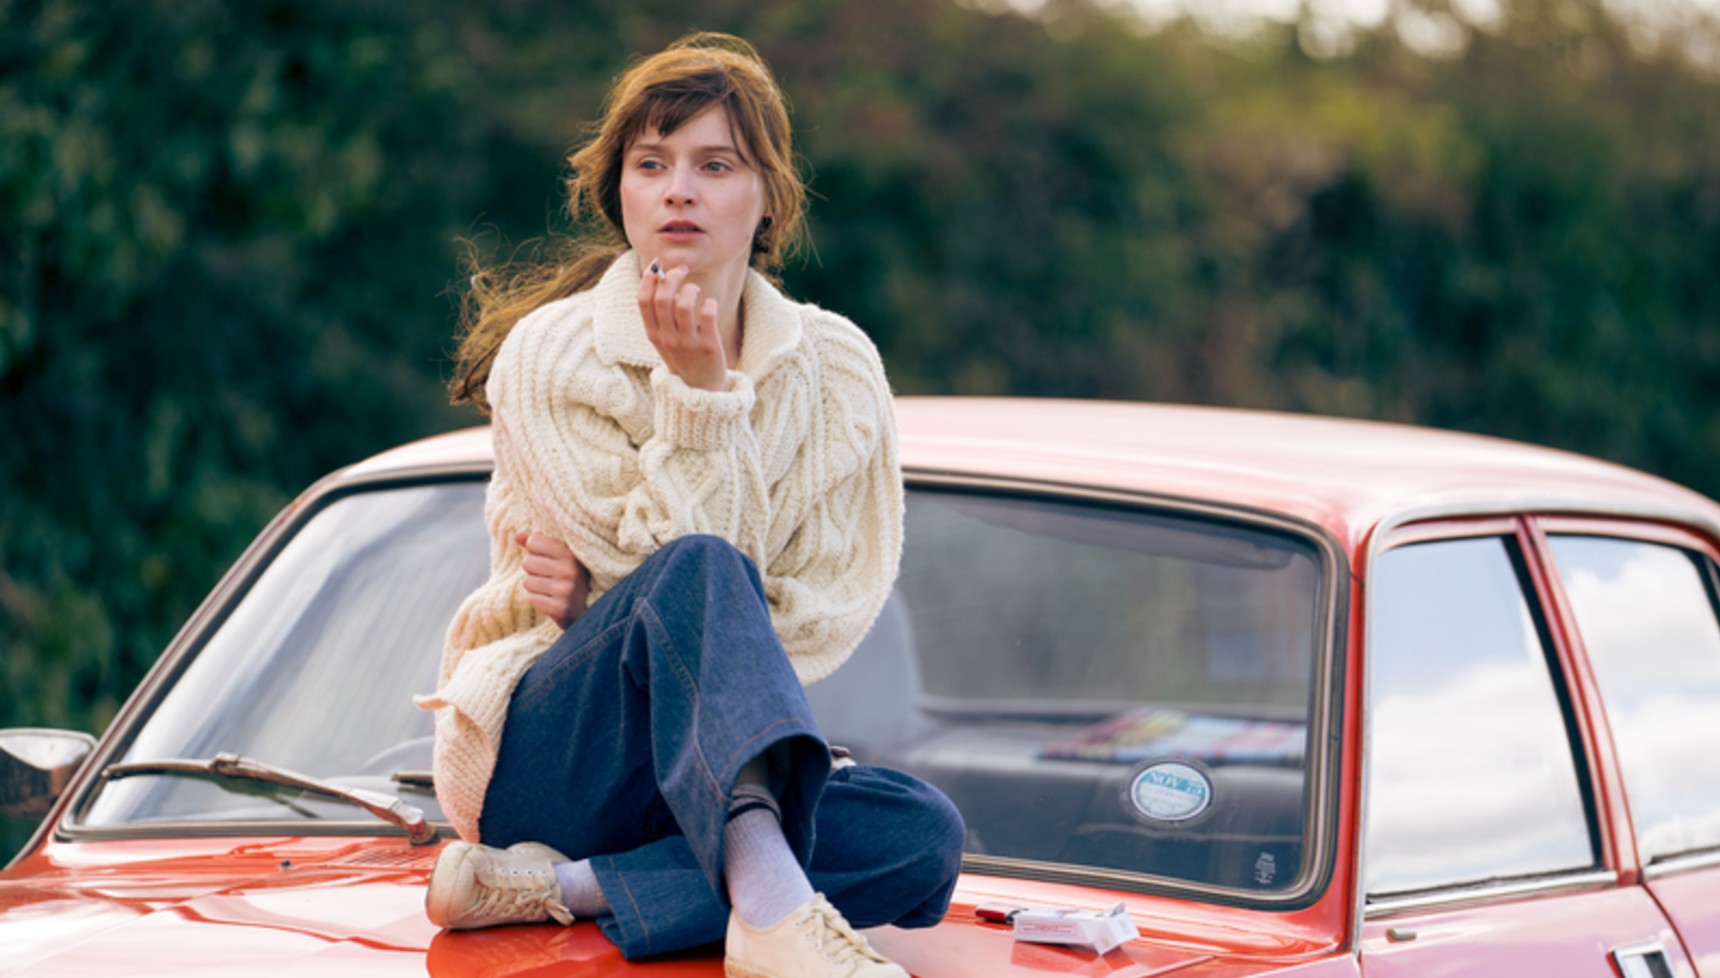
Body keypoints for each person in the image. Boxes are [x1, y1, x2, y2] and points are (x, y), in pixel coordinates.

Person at [414, 32, 964, 978]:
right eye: (651, 164)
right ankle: (774, 913)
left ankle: (564, 888)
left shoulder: (839, 372)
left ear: (767, 200)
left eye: (715, 165)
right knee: (702, 569)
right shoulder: (552, 354)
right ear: (617, 193)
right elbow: (680, 585)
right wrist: (700, 399)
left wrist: (639, 602)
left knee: (924, 836)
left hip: (703, 770)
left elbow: (825, 608)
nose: (679, 190)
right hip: (556, 753)